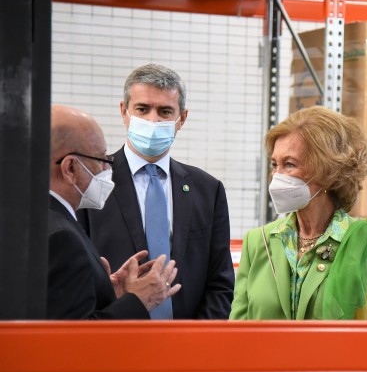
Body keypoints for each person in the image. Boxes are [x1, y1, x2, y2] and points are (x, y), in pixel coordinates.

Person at [79, 64, 235, 319]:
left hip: (187, 347)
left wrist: (195, 345)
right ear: (124, 111)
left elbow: (220, 283)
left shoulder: (208, 190)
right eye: (142, 109)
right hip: (114, 341)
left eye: (165, 111)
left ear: (181, 119)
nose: (153, 120)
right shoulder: (91, 180)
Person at [231, 106, 367, 321]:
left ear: (328, 171)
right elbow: (238, 331)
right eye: (275, 164)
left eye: (289, 164)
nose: (276, 176)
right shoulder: (258, 242)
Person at [48, 105, 180, 319]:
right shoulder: (60, 237)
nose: (106, 170)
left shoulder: (42, 219)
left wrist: (105, 292)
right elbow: (72, 340)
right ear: (70, 168)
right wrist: (137, 301)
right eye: (101, 160)